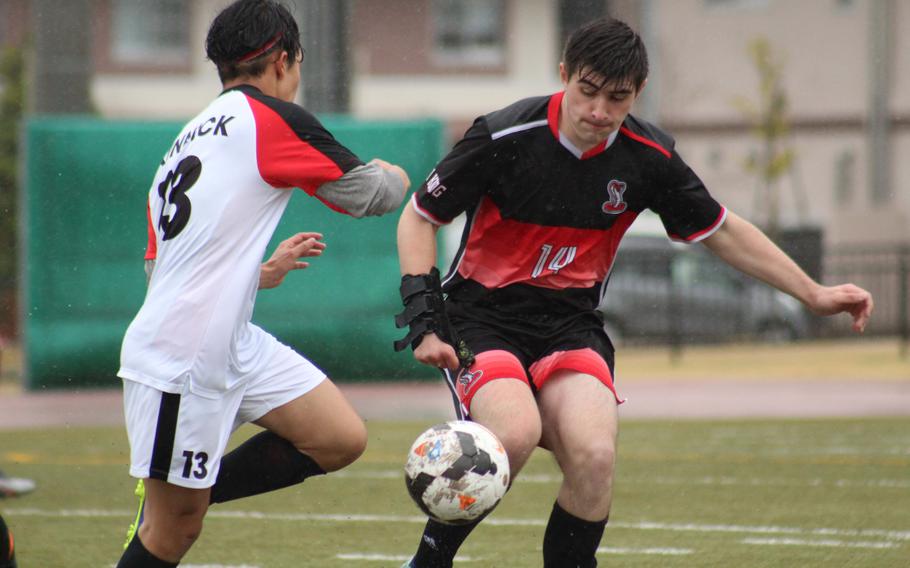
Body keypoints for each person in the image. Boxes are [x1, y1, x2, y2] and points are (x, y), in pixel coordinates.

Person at [394, 17, 873, 568]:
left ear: (637, 94)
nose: (598, 111)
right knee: (514, 433)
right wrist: (426, 320)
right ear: (564, 75)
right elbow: (418, 218)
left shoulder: (649, 157)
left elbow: (723, 231)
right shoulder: (502, 135)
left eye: (616, 98)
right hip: (483, 319)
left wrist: (813, 293)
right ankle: (428, 563)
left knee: (596, 456)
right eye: (588, 91)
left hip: (570, 326)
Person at [115, 1, 410, 566]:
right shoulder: (268, 116)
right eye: (296, 64)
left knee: (339, 437)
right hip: (184, 358)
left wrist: (252, 274)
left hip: (227, 341)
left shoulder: (184, 141)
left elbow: (161, 268)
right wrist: (396, 172)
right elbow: (372, 194)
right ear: (281, 60)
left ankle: (177, 489)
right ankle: (172, 498)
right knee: (171, 535)